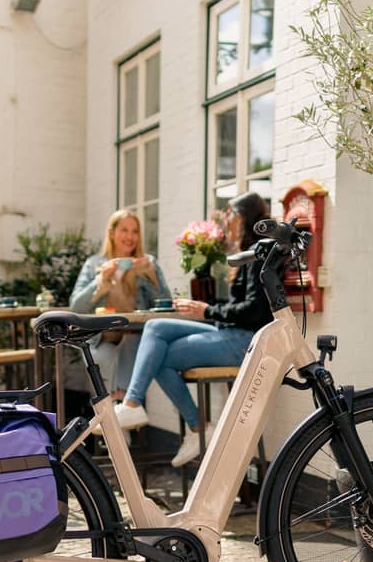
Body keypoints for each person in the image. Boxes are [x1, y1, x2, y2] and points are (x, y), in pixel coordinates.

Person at [114, 191, 274, 468]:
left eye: (232, 215)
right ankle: (139, 406)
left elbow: (255, 311)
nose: (228, 221)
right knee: (155, 329)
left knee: (158, 355)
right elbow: (242, 305)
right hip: (231, 332)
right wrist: (206, 307)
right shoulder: (248, 252)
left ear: (243, 218)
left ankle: (189, 424)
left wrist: (207, 311)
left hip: (245, 341)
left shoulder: (259, 253)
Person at [70, 210, 171, 400]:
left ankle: (120, 401)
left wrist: (152, 276)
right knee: (100, 358)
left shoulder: (147, 263)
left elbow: (165, 304)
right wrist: (99, 283)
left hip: (133, 336)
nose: (130, 237)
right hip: (102, 338)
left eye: (135, 231)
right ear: (112, 233)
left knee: (133, 343)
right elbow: (76, 307)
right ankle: (121, 409)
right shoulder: (95, 264)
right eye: (124, 230)